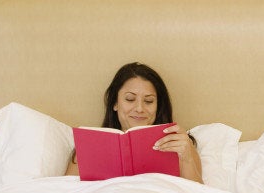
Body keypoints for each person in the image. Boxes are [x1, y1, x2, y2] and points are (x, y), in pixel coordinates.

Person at [66, 62, 203, 183]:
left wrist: (186, 159)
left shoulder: (180, 143)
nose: (139, 109)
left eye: (148, 101)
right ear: (115, 103)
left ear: (158, 106)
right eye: (130, 99)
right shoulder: (88, 146)